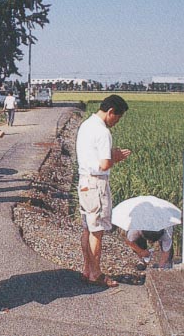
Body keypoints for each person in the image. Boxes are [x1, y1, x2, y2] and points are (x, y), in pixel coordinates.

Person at [76, 94, 131, 287]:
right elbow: (104, 164)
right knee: (97, 230)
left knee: (87, 228)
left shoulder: (85, 125)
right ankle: (96, 274)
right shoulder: (103, 132)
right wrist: (115, 156)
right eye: (118, 117)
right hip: (96, 184)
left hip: (83, 182)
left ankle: (87, 269)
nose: (117, 121)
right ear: (110, 112)